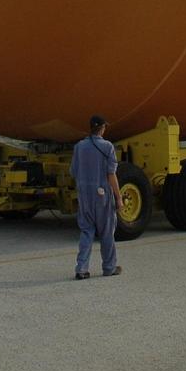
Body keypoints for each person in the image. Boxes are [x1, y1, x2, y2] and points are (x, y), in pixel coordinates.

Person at [70, 114, 122, 280]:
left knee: (86, 231)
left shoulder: (79, 146)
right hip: (102, 195)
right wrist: (119, 197)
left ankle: (81, 268)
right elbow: (111, 175)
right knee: (106, 231)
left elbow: (73, 171)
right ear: (102, 128)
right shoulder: (107, 147)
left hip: (84, 195)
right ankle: (109, 267)